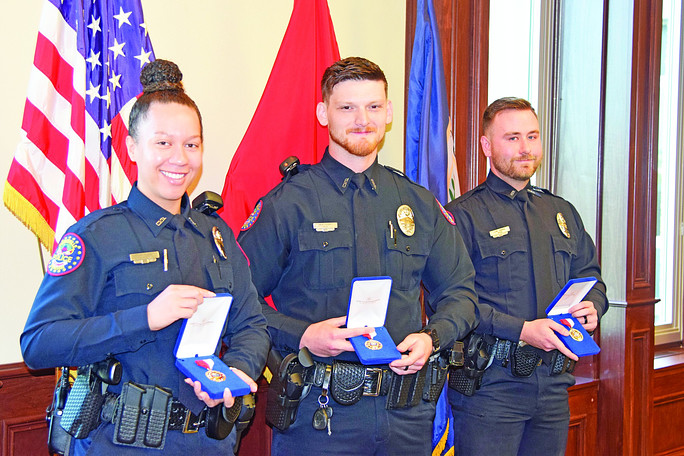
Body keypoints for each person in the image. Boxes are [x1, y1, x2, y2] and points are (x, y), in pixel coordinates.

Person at [20, 59, 270, 455]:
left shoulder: (216, 234)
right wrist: (146, 318)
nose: (180, 158)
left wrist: (236, 372)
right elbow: (39, 343)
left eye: (191, 144)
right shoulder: (96, 236)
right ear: (133, 148)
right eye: (163, 143)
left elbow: (252, 324)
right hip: (123, 442)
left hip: (209, 442)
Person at [237, 56, 478, 455]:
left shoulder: (416, 203)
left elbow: (461, 292)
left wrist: (432, 337)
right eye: (346, 107)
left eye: (373, 106)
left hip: (406, 413)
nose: (361, 119)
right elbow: (239, 304)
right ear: (323, 113)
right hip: (320, 416)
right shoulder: (288, 204)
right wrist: (304, 335)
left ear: (388, 114)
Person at [444, 97, 608, 455]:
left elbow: (590, 275)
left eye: (532, 137)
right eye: (513, 138)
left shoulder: (560, 212)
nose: (525, 148)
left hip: (552, 383)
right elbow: (454, 303)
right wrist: (523, 330)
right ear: (487, 146)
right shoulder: (463, 217)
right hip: (491, 387)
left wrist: (594, 307)